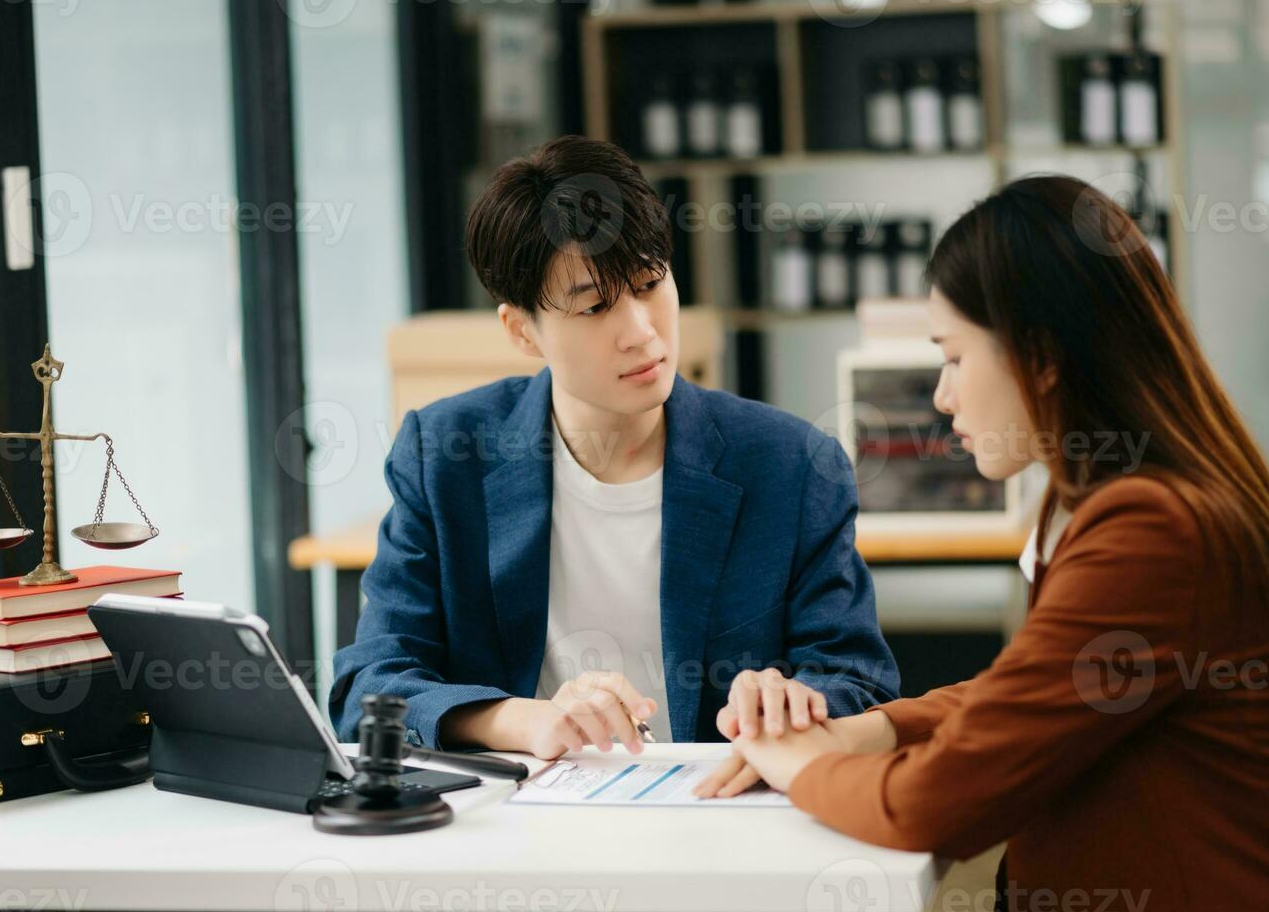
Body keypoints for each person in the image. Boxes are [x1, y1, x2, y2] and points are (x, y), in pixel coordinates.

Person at [695, 175, 1269, 912]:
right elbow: (1028, 694)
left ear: (1041, 356)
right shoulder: (1117, 498)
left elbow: (936, 805)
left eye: (952, 359)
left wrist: (799, 764)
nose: (944, 397)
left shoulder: (1151, 528)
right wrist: (866, 730)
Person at [329, 135, 899, 763]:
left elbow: (859, 682)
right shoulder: (443, 456)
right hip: (518, 821)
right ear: (522, 331)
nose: (641, 332)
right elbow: (366, 687)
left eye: (650, 283)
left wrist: (793, 699)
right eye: (596, 306)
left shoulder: (790, 463)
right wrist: (521, 721)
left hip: (718, 816)